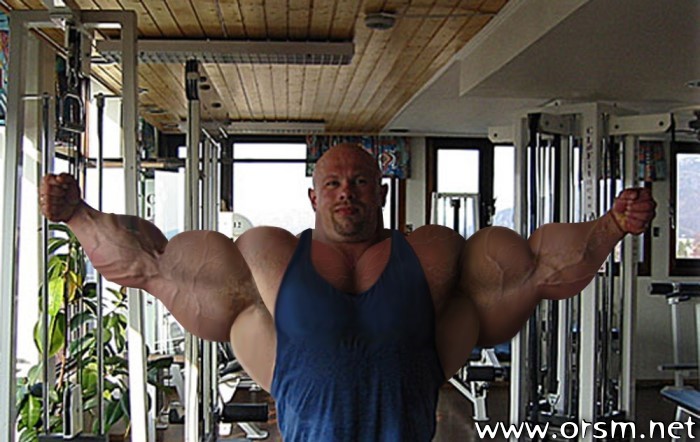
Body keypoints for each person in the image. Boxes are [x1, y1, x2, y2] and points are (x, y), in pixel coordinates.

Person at [40, 143, 656, 441]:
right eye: (333, 183)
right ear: (313, 196)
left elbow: (538, 270)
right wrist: (78, 216)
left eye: (360, 181)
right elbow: (151, 265)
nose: (346, 193)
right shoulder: (269, 261)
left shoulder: (433, 258)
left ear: (381, 191)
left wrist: (612, 226)